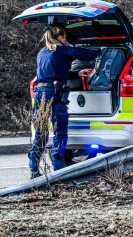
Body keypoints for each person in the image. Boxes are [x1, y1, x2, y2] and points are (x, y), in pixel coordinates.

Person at [29, 26, 102, 179]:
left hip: (39, 93)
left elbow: (53, 71)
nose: (67, 40)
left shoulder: (42, 52)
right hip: (54, 93)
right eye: (65, 37)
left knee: (40, 134)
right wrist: (100, 49)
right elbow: (85, 55)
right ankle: (59, 173)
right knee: (60, 132)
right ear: (61, 37)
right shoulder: (62, 49)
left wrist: (76, 73)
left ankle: (34, 170)